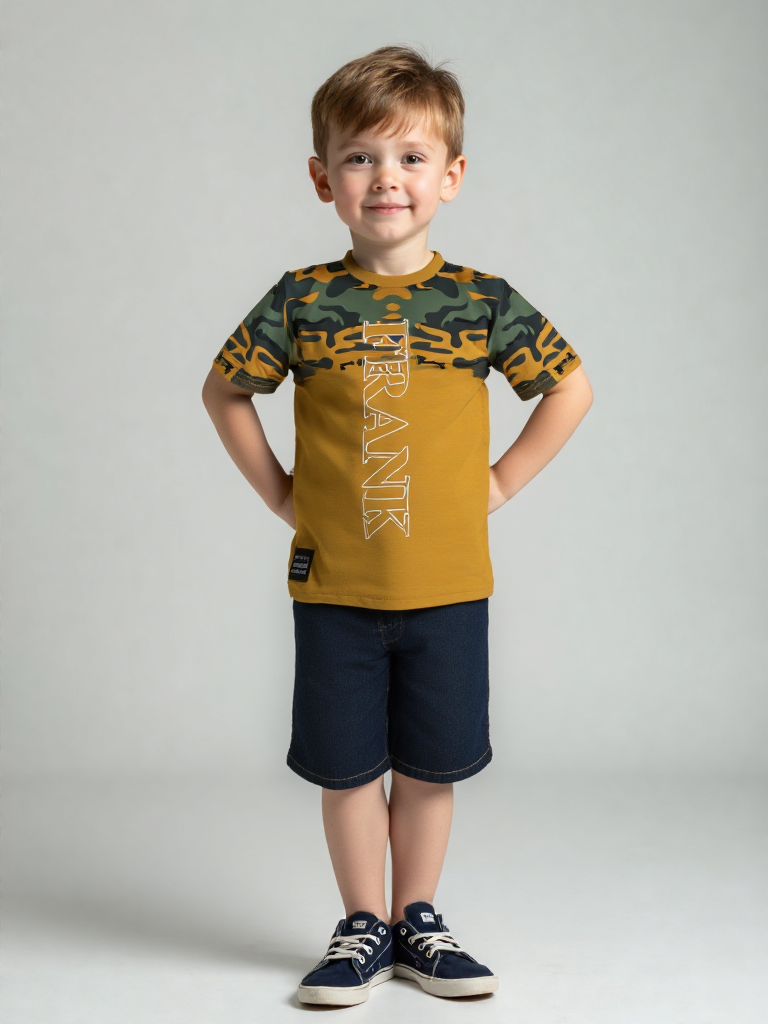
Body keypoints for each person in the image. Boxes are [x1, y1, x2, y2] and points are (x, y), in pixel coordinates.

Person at [202, 43, 593, 1007]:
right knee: (347, 772)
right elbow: (224, 391)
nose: (387, 178)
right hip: (336, 588)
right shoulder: (300, 299)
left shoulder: (482, 301)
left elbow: (569, 388)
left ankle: (419, 920)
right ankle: (362, 926)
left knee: (427, 769)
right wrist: (281, 494)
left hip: (449, 587)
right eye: (361, 157)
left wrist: (499, 484)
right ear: (323, 179)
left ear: (450, 176)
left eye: (412, 157)